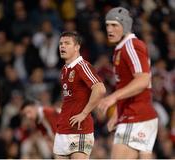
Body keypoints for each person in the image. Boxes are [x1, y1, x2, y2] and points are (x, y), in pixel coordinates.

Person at [98, 7, 158, 159]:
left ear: (125, 26)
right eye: (107, 25)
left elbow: (143, 79)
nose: (109, 29)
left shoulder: (131, 45)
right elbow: (128, 86)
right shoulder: (121, 48)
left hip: (135, 115)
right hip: (138, 115)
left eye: (114, 25)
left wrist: (114, 97)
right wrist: (116, 114)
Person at [53, 31, 106, 159]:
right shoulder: (65, 70)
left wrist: (84, 113)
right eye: (61, 44)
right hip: (63, 129)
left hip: (80, 130)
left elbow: (100, 89)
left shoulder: (82, 66)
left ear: (77, 47)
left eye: (67, 43)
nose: (62, 46)